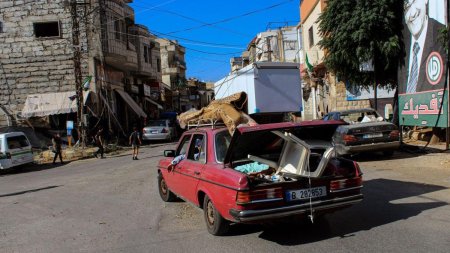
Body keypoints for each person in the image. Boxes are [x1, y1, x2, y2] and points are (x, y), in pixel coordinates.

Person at [400, 0, 446, 94]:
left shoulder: (442, 37)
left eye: (414, 1)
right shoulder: (402, 43)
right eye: (406, 7)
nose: (412, 14)